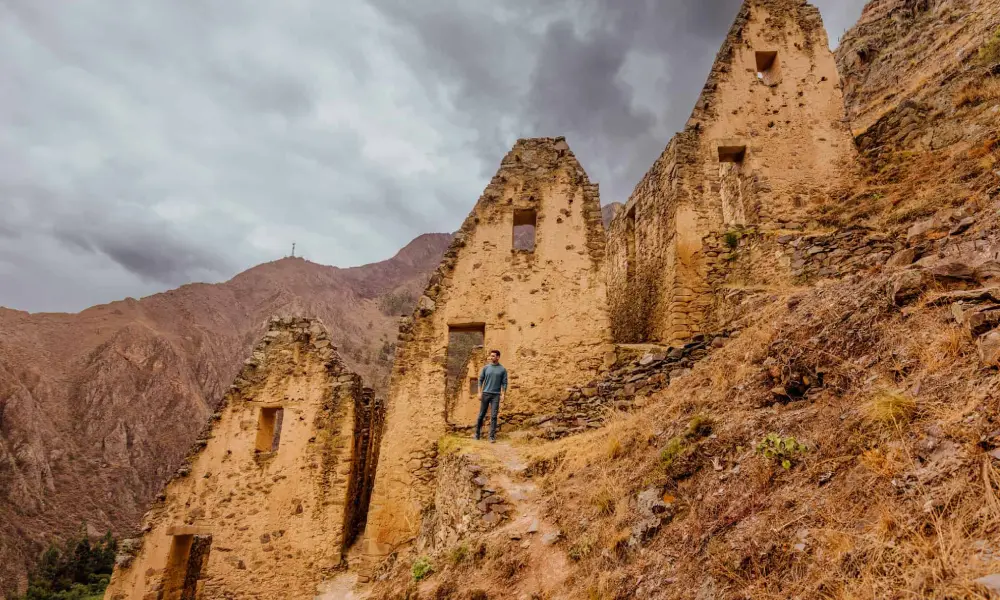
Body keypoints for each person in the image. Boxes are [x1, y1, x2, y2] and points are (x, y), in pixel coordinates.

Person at [475, 349, 507, 443]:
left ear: (498, 357)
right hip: (485, 393)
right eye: (490, 356)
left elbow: (504, 383)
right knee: (481, 415)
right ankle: (477, 434)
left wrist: (503, 395)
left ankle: (491, 437)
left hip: (496, 395)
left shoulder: (502, 370)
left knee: (494, 416)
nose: (491, 357)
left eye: (493, 356)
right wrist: (479, 392)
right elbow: (480, 380)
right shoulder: (486, 368)